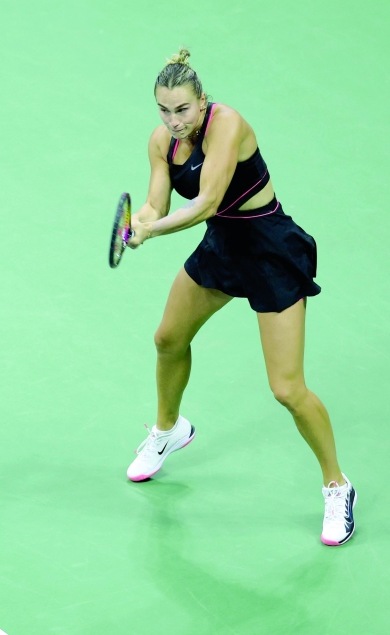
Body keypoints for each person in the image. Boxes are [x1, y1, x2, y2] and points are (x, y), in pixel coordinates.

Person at [124, 48, 356, 546]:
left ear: (202, 100)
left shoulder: (228, 125)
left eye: (182, 109)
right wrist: (138, 222)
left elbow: (207, 201)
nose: (174, 120)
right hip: (223, 248)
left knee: (287, 389)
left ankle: (337, 485)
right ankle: (169, 430)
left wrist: (153, 233)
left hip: (269, 249)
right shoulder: (162, 142)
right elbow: (156, 202)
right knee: (168, 338)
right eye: (164, 110)